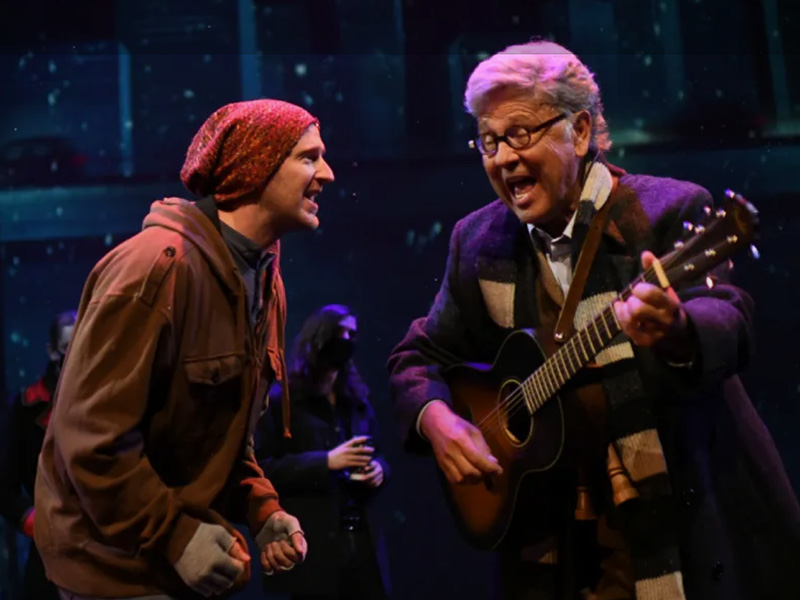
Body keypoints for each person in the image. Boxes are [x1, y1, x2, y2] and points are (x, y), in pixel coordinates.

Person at [387, 40, 800, 600]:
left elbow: (730, 316)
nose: (502, 158)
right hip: (552, 539)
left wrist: (676, 329)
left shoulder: (666, 210)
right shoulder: (478, 240)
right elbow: (419, 356)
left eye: (520, 134)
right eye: (488, 141)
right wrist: (435, 417)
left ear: (579, 132)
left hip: (677, 515)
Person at [33, 99, 335, 600]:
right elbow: (90, 440)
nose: (326, 172)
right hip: (113, 572)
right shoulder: (153, 270)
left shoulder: (265, 284)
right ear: (255, 167)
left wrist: (263, 510)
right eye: (308, 157)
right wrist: (177, 537)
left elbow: (222, 436)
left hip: (179, 565)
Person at [256, 304, 391, 600]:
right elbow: (262, 468)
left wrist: (379, 470)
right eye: (339, 333)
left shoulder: (357, 402)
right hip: (314, 551)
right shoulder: (283, 401)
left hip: (362, 544)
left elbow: (380, 454)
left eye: (352, 334)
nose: (346, 340)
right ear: (319, 336)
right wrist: (326, 462)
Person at [0, 310, 76, 600]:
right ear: (53, 352)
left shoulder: (107, 401)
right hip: (49, 553)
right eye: (68, 348)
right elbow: (4, 486)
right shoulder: (27, 407)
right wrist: (34, 523)